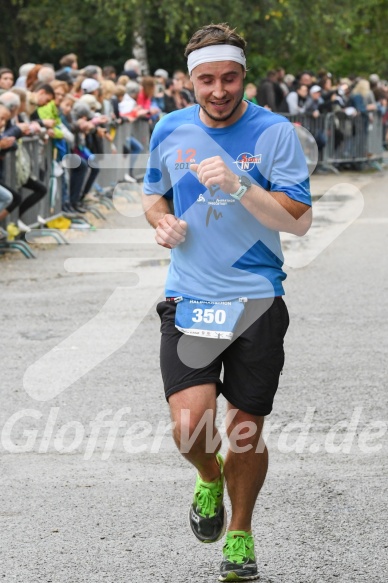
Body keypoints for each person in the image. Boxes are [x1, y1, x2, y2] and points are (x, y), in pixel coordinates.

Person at [142, 23, 311, 582]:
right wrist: (161, 222)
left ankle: (239, 534)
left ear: (245, 76)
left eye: (230, 78)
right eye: (207, 79)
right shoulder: (169, 128)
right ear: (189, 80)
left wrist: (240, 185)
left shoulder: (275, 132)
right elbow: (152, 194)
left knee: (245, 430)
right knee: (190, 426)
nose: (219, 90)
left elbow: (300, 221)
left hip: (257, 299)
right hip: (190, 295)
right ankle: (208, 478)